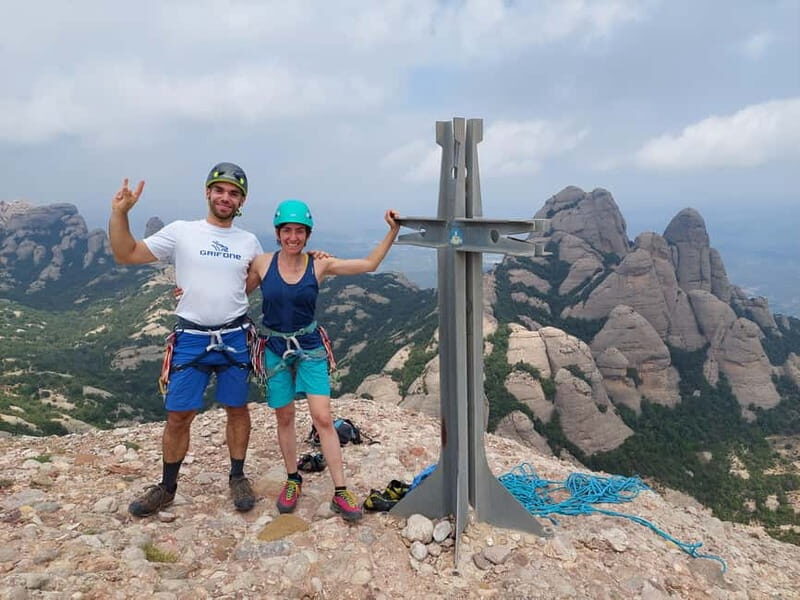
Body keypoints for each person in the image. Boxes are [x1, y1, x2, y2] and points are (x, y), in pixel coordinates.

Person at [109, 162, 263, 516]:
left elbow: (252, 280)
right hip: (191, 337)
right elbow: (126, 253)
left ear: (242, 201)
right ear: (208, 192)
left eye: (234, 193)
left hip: (235, 335)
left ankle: (237, 475)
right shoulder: (182, 232)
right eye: (220, 190)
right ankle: (167, 486)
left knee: (237, 409)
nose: (226, 197)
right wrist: (119, 214)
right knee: (178, 415)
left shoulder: (248, 241)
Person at [247, 199, 400, 522]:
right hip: (275, 349)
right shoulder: (262, 263)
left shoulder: (319, 265)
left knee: (323, 418)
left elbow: (369, 264)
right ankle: (292, 479)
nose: (293, 237)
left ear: (307, 234)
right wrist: (189, 291)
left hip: (310, 348)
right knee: (285, 417)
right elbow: (235, 292)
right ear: (277, 233)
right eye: (286, 230)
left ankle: (341, 491)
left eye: (299, 231)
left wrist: (393, 231)